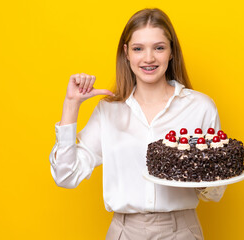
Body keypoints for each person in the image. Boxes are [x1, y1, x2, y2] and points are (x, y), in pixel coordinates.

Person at [49, 8, 227, 240]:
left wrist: (197, 173)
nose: (149, 58)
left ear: (171, 52)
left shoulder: (200, 107)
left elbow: (215, 193)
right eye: (138, 48)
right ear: (126, 53)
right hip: (124, 232)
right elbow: (66, 176)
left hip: (181, 231)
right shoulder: (108, 111)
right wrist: (71, 106)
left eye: (159, 47)